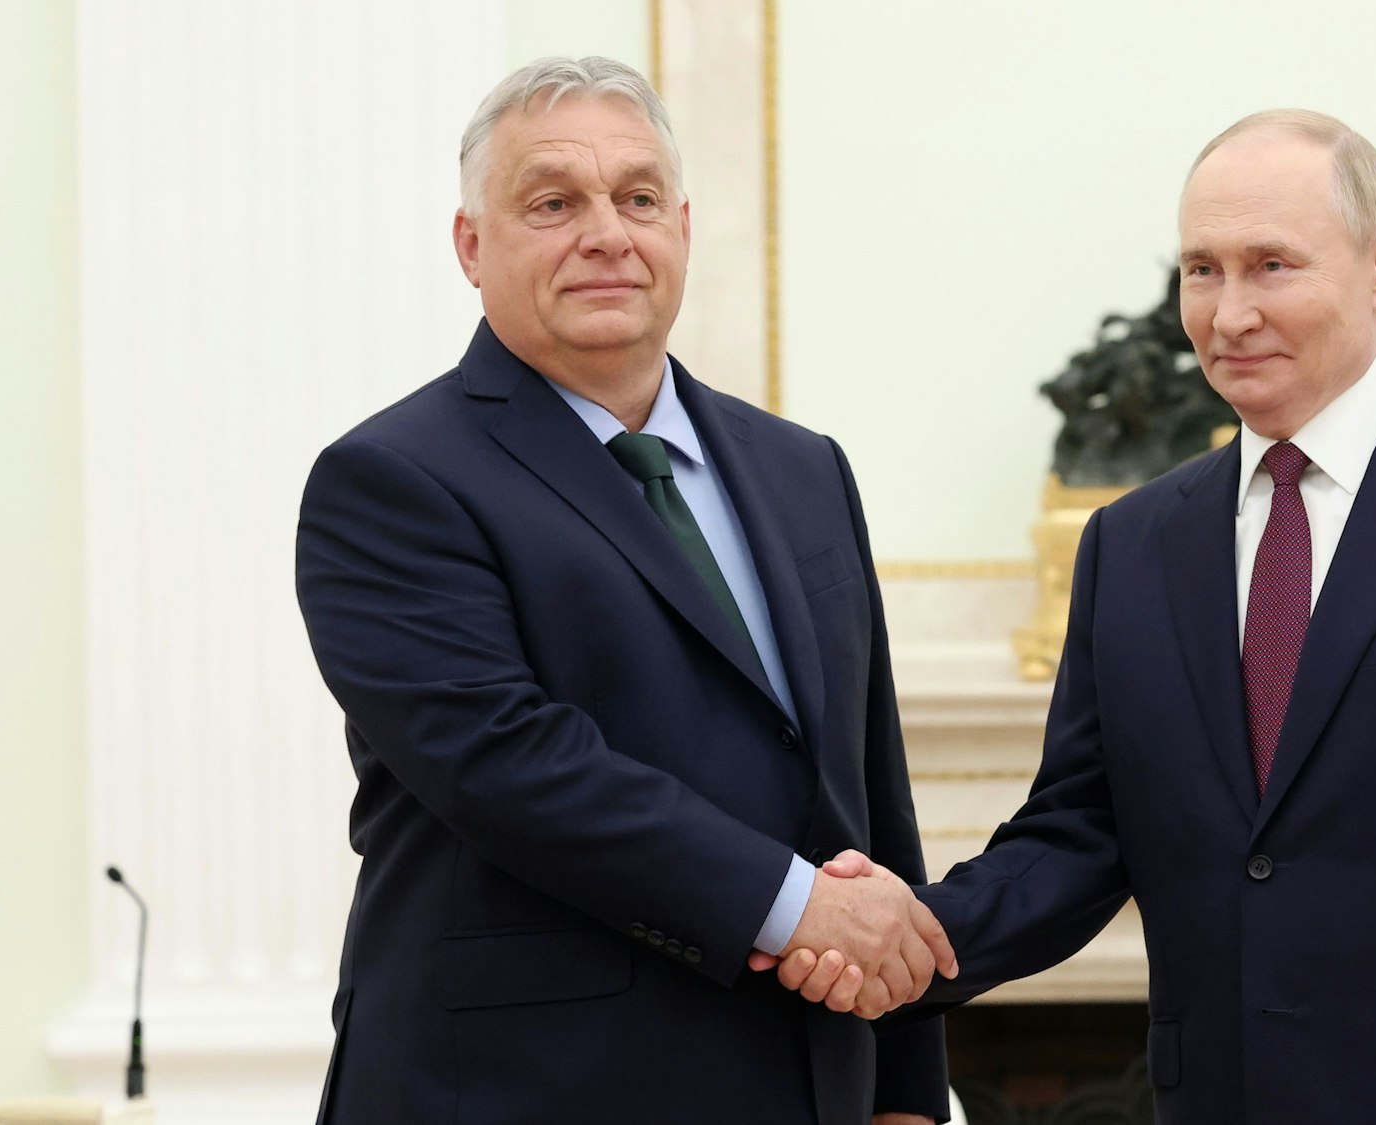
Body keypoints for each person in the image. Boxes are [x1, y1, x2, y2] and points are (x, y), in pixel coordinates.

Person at [762, 110, 1376, 1124]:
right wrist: (907, 933)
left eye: (1270, 266)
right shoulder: (1128, 545)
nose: (1228, 313)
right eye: (1200, 270)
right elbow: (1076, 837)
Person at [295, 57, 953, 1125]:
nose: (606, 232)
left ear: (681, 228)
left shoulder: (803, 469)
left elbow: (868, 787)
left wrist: (907, 1092)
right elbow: (513, 764)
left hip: (805, 1086)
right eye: (553, 202)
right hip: (522, 1088)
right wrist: (798, 913)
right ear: (471, 245)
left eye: (636, 198)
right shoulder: (391, 482)